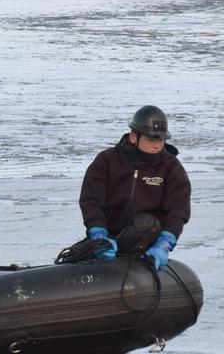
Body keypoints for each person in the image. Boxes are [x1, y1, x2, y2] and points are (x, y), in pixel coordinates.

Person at [79, 105, 191, 271]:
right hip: (106, 237)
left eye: (161, 140)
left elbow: (178, 211)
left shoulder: (171, 167)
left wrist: (164, 244)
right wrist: (99, 236)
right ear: (133, 137)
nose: (157, 146)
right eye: (151, 140)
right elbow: (91, 201)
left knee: (147, 223)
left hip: (145, 240)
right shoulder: (106, 160)